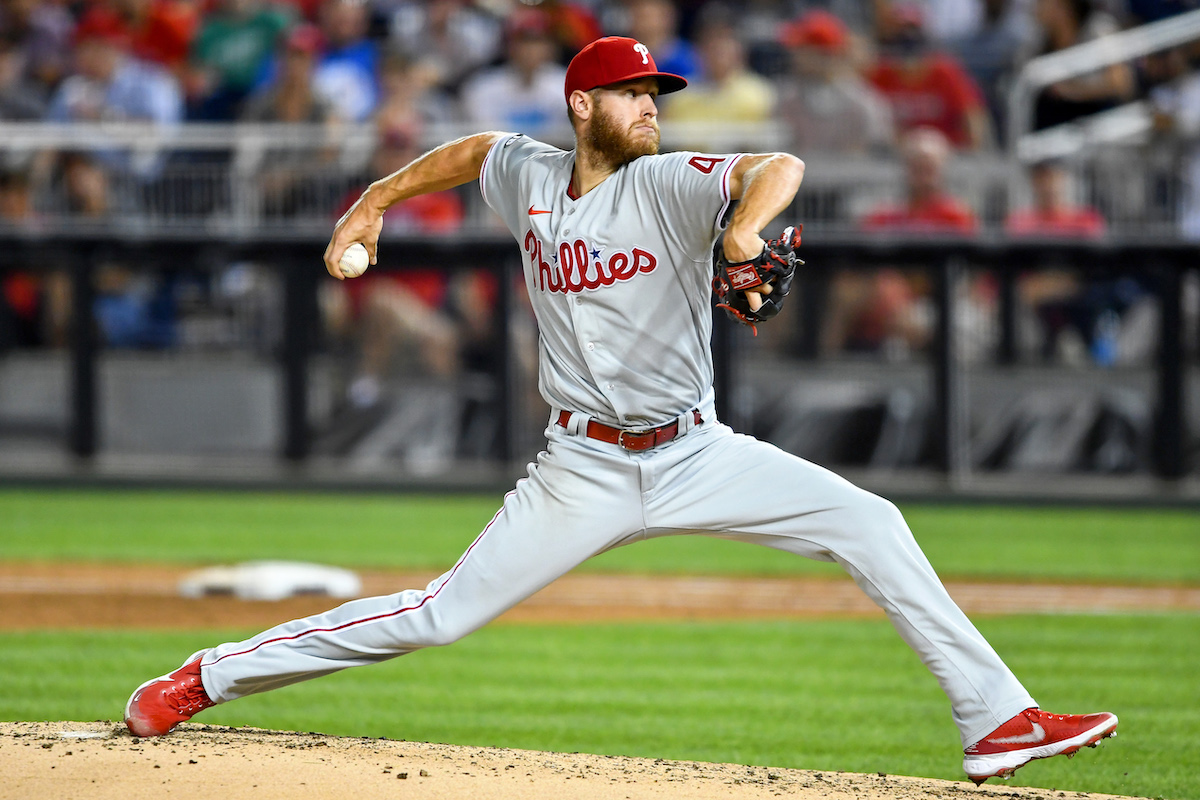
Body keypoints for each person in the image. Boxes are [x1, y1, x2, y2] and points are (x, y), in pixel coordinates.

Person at [123, 35, 1118, 786]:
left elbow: (778, 169)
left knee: (873, 521)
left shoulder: (673, 184)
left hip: (697, 451)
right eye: (635, 93)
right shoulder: (529, 174)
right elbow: (470, 150)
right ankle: (203, 677)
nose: (651, 106)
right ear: (583, 103)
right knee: (437, 615)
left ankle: (995, 719)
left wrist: (744, 233)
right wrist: (371, 204)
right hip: (582, 468)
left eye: (657, 93)